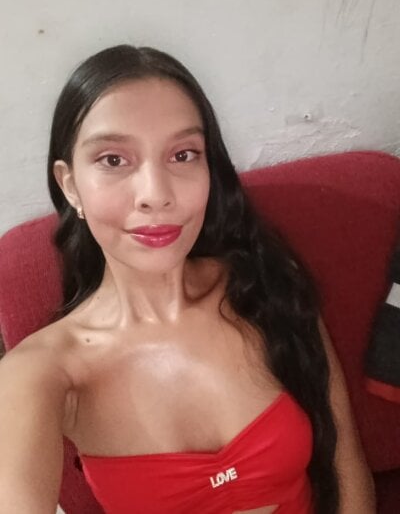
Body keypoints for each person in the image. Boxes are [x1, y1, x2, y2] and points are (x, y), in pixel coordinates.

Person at [0, 45, 375, 514]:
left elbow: (346, 467)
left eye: (183, 154)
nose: (156, 194)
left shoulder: (264, 285)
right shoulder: (41, 372)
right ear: (70, 184)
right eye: (113, 160)